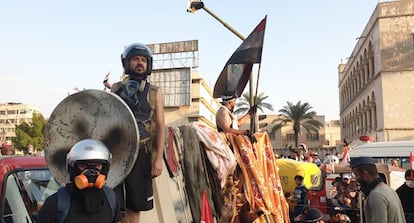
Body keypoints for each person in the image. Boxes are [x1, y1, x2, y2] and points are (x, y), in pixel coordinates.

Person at [110, 43, 166, 223]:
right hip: (118, 153)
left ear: (148, 64)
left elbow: (160, 126)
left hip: (142, 152)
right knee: (115, 203)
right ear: (127, 62)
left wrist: (158, 159)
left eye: (143, 60)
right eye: (135, 59)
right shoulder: (116, 89)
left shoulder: (155, 92)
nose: (139, 63)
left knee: (135, 205)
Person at [38, 139, 122, 223]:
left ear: (105, 168)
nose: (91, 172)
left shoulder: (111, 199)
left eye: (97, 165)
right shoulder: (55, 204)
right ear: (72, 168)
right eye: (83, 165)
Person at [350, 156, 406, 223]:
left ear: (365, 174)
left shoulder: (376, 195)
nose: (356, 179)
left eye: (356, 175)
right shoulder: (388, 189)